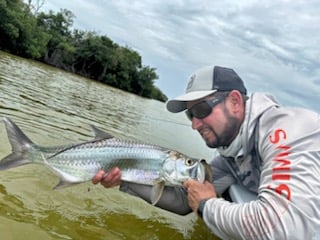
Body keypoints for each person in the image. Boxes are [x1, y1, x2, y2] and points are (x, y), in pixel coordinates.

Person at [92, 65, 320, 239]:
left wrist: (207, 205)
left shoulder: (287, 130)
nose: (195, 124)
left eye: (201, 109)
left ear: (235, 101)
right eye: (190, 115)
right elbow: (184, 201)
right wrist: (126, 178)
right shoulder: (230, 157)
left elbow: (285, 230)